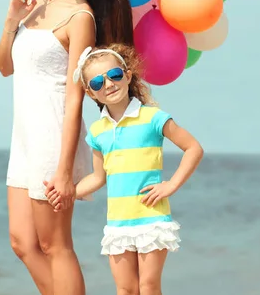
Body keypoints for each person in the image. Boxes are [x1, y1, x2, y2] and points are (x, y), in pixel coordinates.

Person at [0, 0, 134, 295]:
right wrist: (11, 19)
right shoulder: (33, 0)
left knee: (56, 246)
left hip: (52, 139)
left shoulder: (81, 19)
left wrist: (64, 171)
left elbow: (75, 101)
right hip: (23, 138)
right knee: (22, 243)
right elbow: (5, 67)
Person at [45, 43, 204, 295]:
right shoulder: (98, 131)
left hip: (151, 219)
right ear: (90, 92)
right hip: (118, 224)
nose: (108, 84)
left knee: (148, 286)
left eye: (114, 75)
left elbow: (194, 148)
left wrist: (171, 185)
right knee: (125, 289)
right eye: (97, 82)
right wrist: (68, 192)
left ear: (127, 76)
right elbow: (98, 177)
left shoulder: (153, 118)